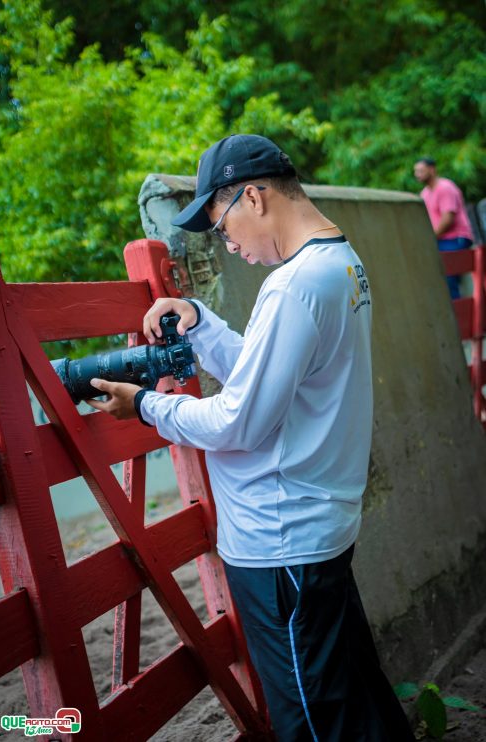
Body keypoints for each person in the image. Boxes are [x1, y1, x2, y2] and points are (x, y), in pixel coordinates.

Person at [88, 134, 415, 741]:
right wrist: (203, 322)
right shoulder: (338, 262)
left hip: (282, 544)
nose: (227, 243)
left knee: (312, 721)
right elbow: (272, 378)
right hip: (317, 531)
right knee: (358, 703)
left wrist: (146, 406)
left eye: (221, 224)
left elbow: (238, 420)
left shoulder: (294, 286)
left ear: (254, 197)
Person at [414, 157, 474, 299]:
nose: (418, 174)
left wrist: (430, 237)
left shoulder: (445, 188)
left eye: (421, 170)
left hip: (456, 238)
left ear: (432, 170)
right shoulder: (425, 193)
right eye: (416, 171)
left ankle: (457, 312)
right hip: (440, 240)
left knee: (447, 275)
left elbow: (448, 219)